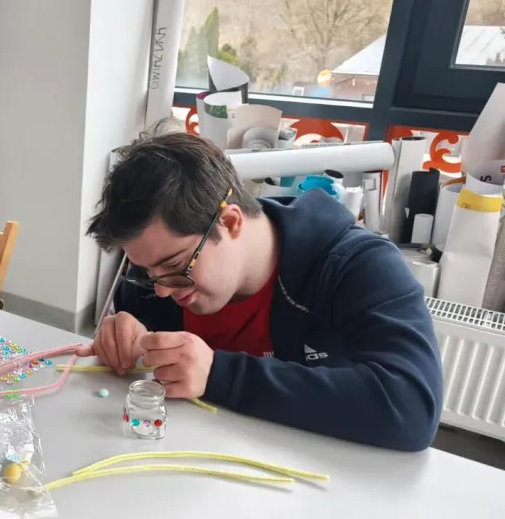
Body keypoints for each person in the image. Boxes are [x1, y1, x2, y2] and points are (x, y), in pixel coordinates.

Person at [82, 130, 443, 451]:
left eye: (175, 266)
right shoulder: (159, 274)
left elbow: (411, 407)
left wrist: (220, 375)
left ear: (230, 222)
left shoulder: (358, 266)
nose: (161, 291)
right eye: (146, 272)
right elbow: (145, 367)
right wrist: (126, 335)